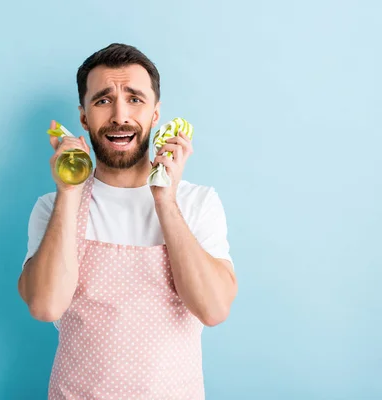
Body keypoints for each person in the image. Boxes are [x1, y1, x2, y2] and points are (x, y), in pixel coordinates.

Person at [17, 43, 238, 399]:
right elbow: (45, 306)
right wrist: (69, 192)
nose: (120, 115)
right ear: (84, 117)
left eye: (135, 99)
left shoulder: (198, 203)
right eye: (103, 100)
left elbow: (213, 309)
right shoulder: (53, 206)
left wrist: (165, 198)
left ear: (155, 114)